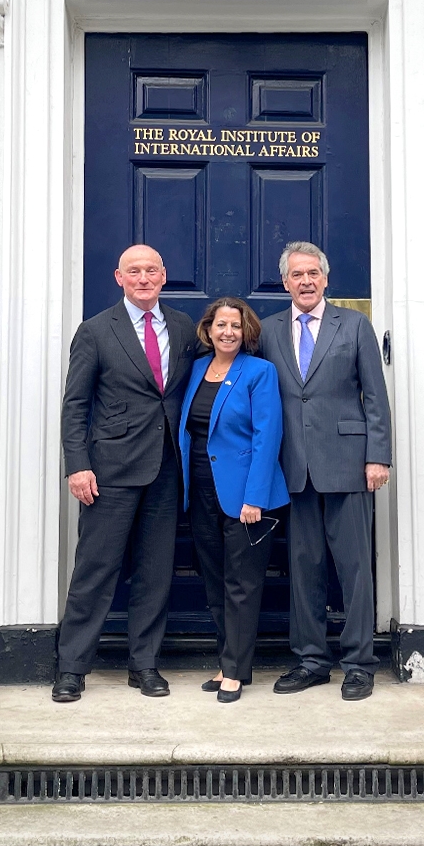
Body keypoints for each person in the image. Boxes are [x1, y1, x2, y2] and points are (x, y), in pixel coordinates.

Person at [53, 245, 199, 702]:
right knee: (96, 570)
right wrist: (77, 466)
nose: (143, 278)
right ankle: (72, 669)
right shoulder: (96, 331)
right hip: (110, 470)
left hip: (166, 467)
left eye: (151, 270)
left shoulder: (182, 327)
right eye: (134, 271)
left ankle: (145, 665)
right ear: (119, 277)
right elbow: (75, 405)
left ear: (164, 275)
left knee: (156, 572)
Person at [257, 242, 392, 701]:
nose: (306, 281)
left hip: (348, 464)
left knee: (354, 569)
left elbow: (374, 396)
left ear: (326, 278)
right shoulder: (269, 330)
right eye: (297, 275)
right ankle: (311, 660)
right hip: (293, 466)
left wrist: (379, 456)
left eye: (313, 273)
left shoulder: (354, 325)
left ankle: (359, 663)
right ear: (286, 283)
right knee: (304, 568)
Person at [178, 298, 290, 703]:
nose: (228, 332)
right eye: (221, 324)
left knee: (241, 584)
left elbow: (267, 436)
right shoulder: (194, 370)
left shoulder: (260, 372)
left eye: (236, 326)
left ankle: (238, 671)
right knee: (214, 581)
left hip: (245, 496)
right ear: (208, 329)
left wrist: (255, 497)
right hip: (202, 491)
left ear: (247, 333)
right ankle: (229, 661)